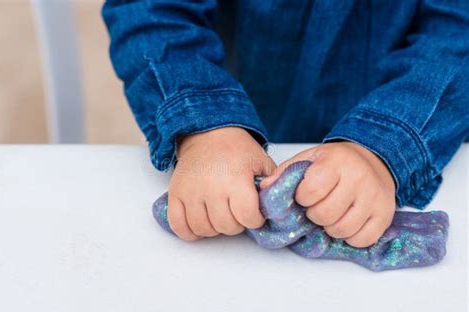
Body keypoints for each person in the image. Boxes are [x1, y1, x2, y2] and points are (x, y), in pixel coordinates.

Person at [102, 0, 469, 246]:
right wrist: (205, 127)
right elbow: (151, 10)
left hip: (419, 116)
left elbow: (459, 32)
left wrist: (384, 148)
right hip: (239, 116)